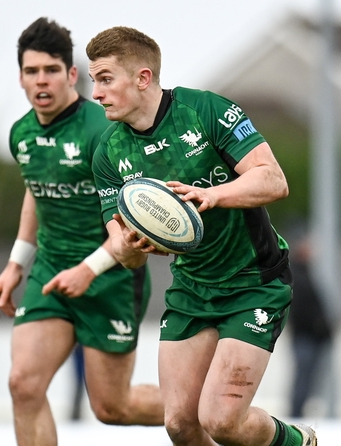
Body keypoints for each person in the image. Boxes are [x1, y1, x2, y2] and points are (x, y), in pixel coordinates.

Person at [87, 26, 317, 446]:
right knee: (179, 424)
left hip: (255, 282)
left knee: (222, 421)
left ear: (142, 77)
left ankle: (297, 441)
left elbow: (273, 180)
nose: (97, 93)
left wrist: (211, 195)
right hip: (192, 288)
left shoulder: (204, 110)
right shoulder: (108, 153)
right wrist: (133, 245)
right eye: (93, 81)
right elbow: (122, 249)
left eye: (105, 79)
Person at [0, 18, 163, 445]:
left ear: (71, 75)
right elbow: (37, 191)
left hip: (110, 275)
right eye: (31, 72)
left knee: (112, 407)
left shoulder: (104, 132)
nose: (40, 80)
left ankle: (211, 412)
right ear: (21, 78)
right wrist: (17, 264)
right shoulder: (22, 134)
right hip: (50, 270)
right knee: (23, 385)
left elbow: (133, 223)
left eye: (50, 70)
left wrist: (89, 269)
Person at [287, 237, 333, 419]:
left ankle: (297, 413)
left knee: (306, 378)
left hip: (308, 336)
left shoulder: (301, 273)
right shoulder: (298, 276)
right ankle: (296, 415)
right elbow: (303, 310)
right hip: (306, 337)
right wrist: (318, 326)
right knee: (303, 379)